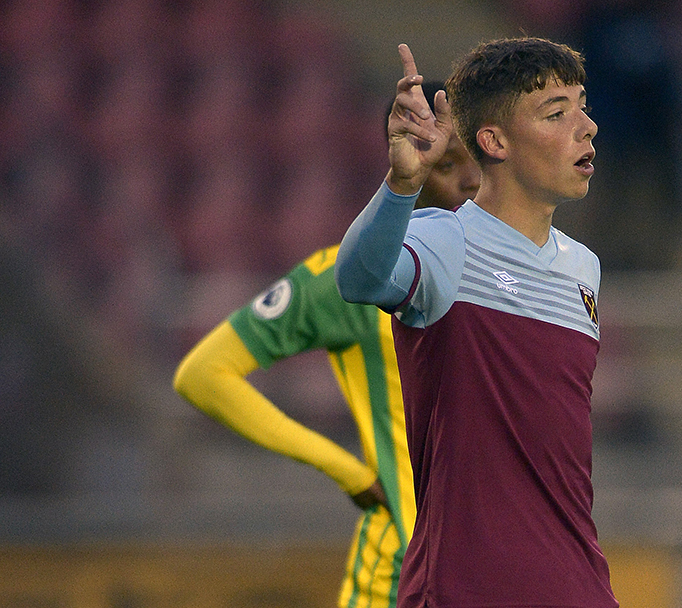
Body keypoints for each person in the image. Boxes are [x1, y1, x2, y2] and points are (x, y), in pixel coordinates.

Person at [172, 81, 480, 608]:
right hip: (403, 572)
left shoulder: (517, 272)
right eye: (446, 164)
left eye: (475, 160)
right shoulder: (351, 279)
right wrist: (346, 470)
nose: (471, 182)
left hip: (495, 570)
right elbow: (203, 375)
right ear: (409, 167)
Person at [335, 39, 617, 607]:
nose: (585, 126)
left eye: (582, 105)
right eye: (556, 114)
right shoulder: (445, 242)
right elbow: (358, 281)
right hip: (465, 587)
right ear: (493, 141)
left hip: (576, 586)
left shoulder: (583, 269)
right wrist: (401, 185)